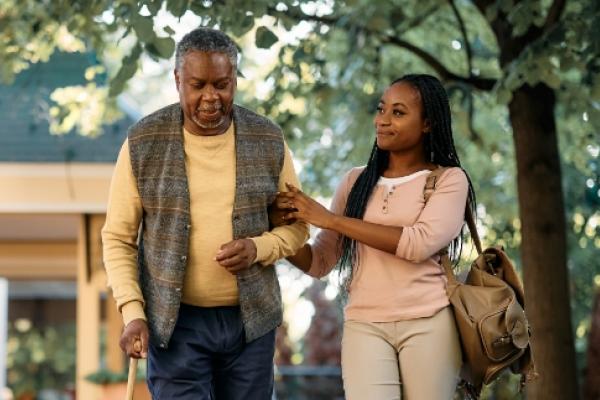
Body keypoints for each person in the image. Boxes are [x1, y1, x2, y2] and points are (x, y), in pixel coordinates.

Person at [101, 28, 309, 400]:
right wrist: (133, 311)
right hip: (174, 323)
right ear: (178, 80)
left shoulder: (268, 139)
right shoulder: (142, 141)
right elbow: (118, 237)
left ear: (234, 80)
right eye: (198, 85)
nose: (211, 97)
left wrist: (257, 248)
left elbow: (297, 229)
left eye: (222, 84)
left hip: (252, 323)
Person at [276, 74, 476, 399]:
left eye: (398, 113)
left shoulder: (449, 180)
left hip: (429, 323)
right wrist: (277, 233)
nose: (382, 120)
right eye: (381, 109)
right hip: (365, 325)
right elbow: (320, 261)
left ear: (427, 123)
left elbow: (418, 243)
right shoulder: (354, 182)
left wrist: (330, 219)